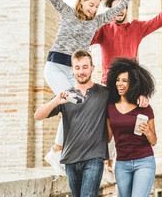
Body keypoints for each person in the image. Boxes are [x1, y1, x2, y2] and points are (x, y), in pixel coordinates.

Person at [16, 0, 140, 173]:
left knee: (80, 107)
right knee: (70, 103)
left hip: (75, 71)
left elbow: (118, 8)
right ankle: (57, 150)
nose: (94, 9)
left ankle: (57, 151)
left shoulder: (97, 21)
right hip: (55, 66)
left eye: (96, 6)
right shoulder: (67, 11)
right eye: (91, 5)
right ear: (82, 1)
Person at [34, 50, 109, 197]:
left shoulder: (104, 93)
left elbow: (125, 96)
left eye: (85, 67)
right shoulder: (65, 95)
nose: (82, 71)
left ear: (92, 68)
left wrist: (141, 96)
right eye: (78, 67)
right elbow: (38, 116)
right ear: (72, 70)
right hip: (70, 159)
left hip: (94, 157)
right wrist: (57, 100)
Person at [91, 0, 162, 84]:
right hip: (110, 83)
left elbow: (161, 19)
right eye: (115, 8)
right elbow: (86, 40)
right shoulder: (104, 29)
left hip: (130, 83)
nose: (119, 10)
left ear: (127, 10)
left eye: (122, 7)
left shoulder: (136, 28)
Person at [106, 57, 157, 197]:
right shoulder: (110, 107)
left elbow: (153, 141)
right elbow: (107, 137)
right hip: (122, 164)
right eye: (117, 80)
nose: (120, 84)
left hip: (144, 162)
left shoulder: (144, 107)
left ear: (134, 83)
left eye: (124, 80)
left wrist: (147, 131)